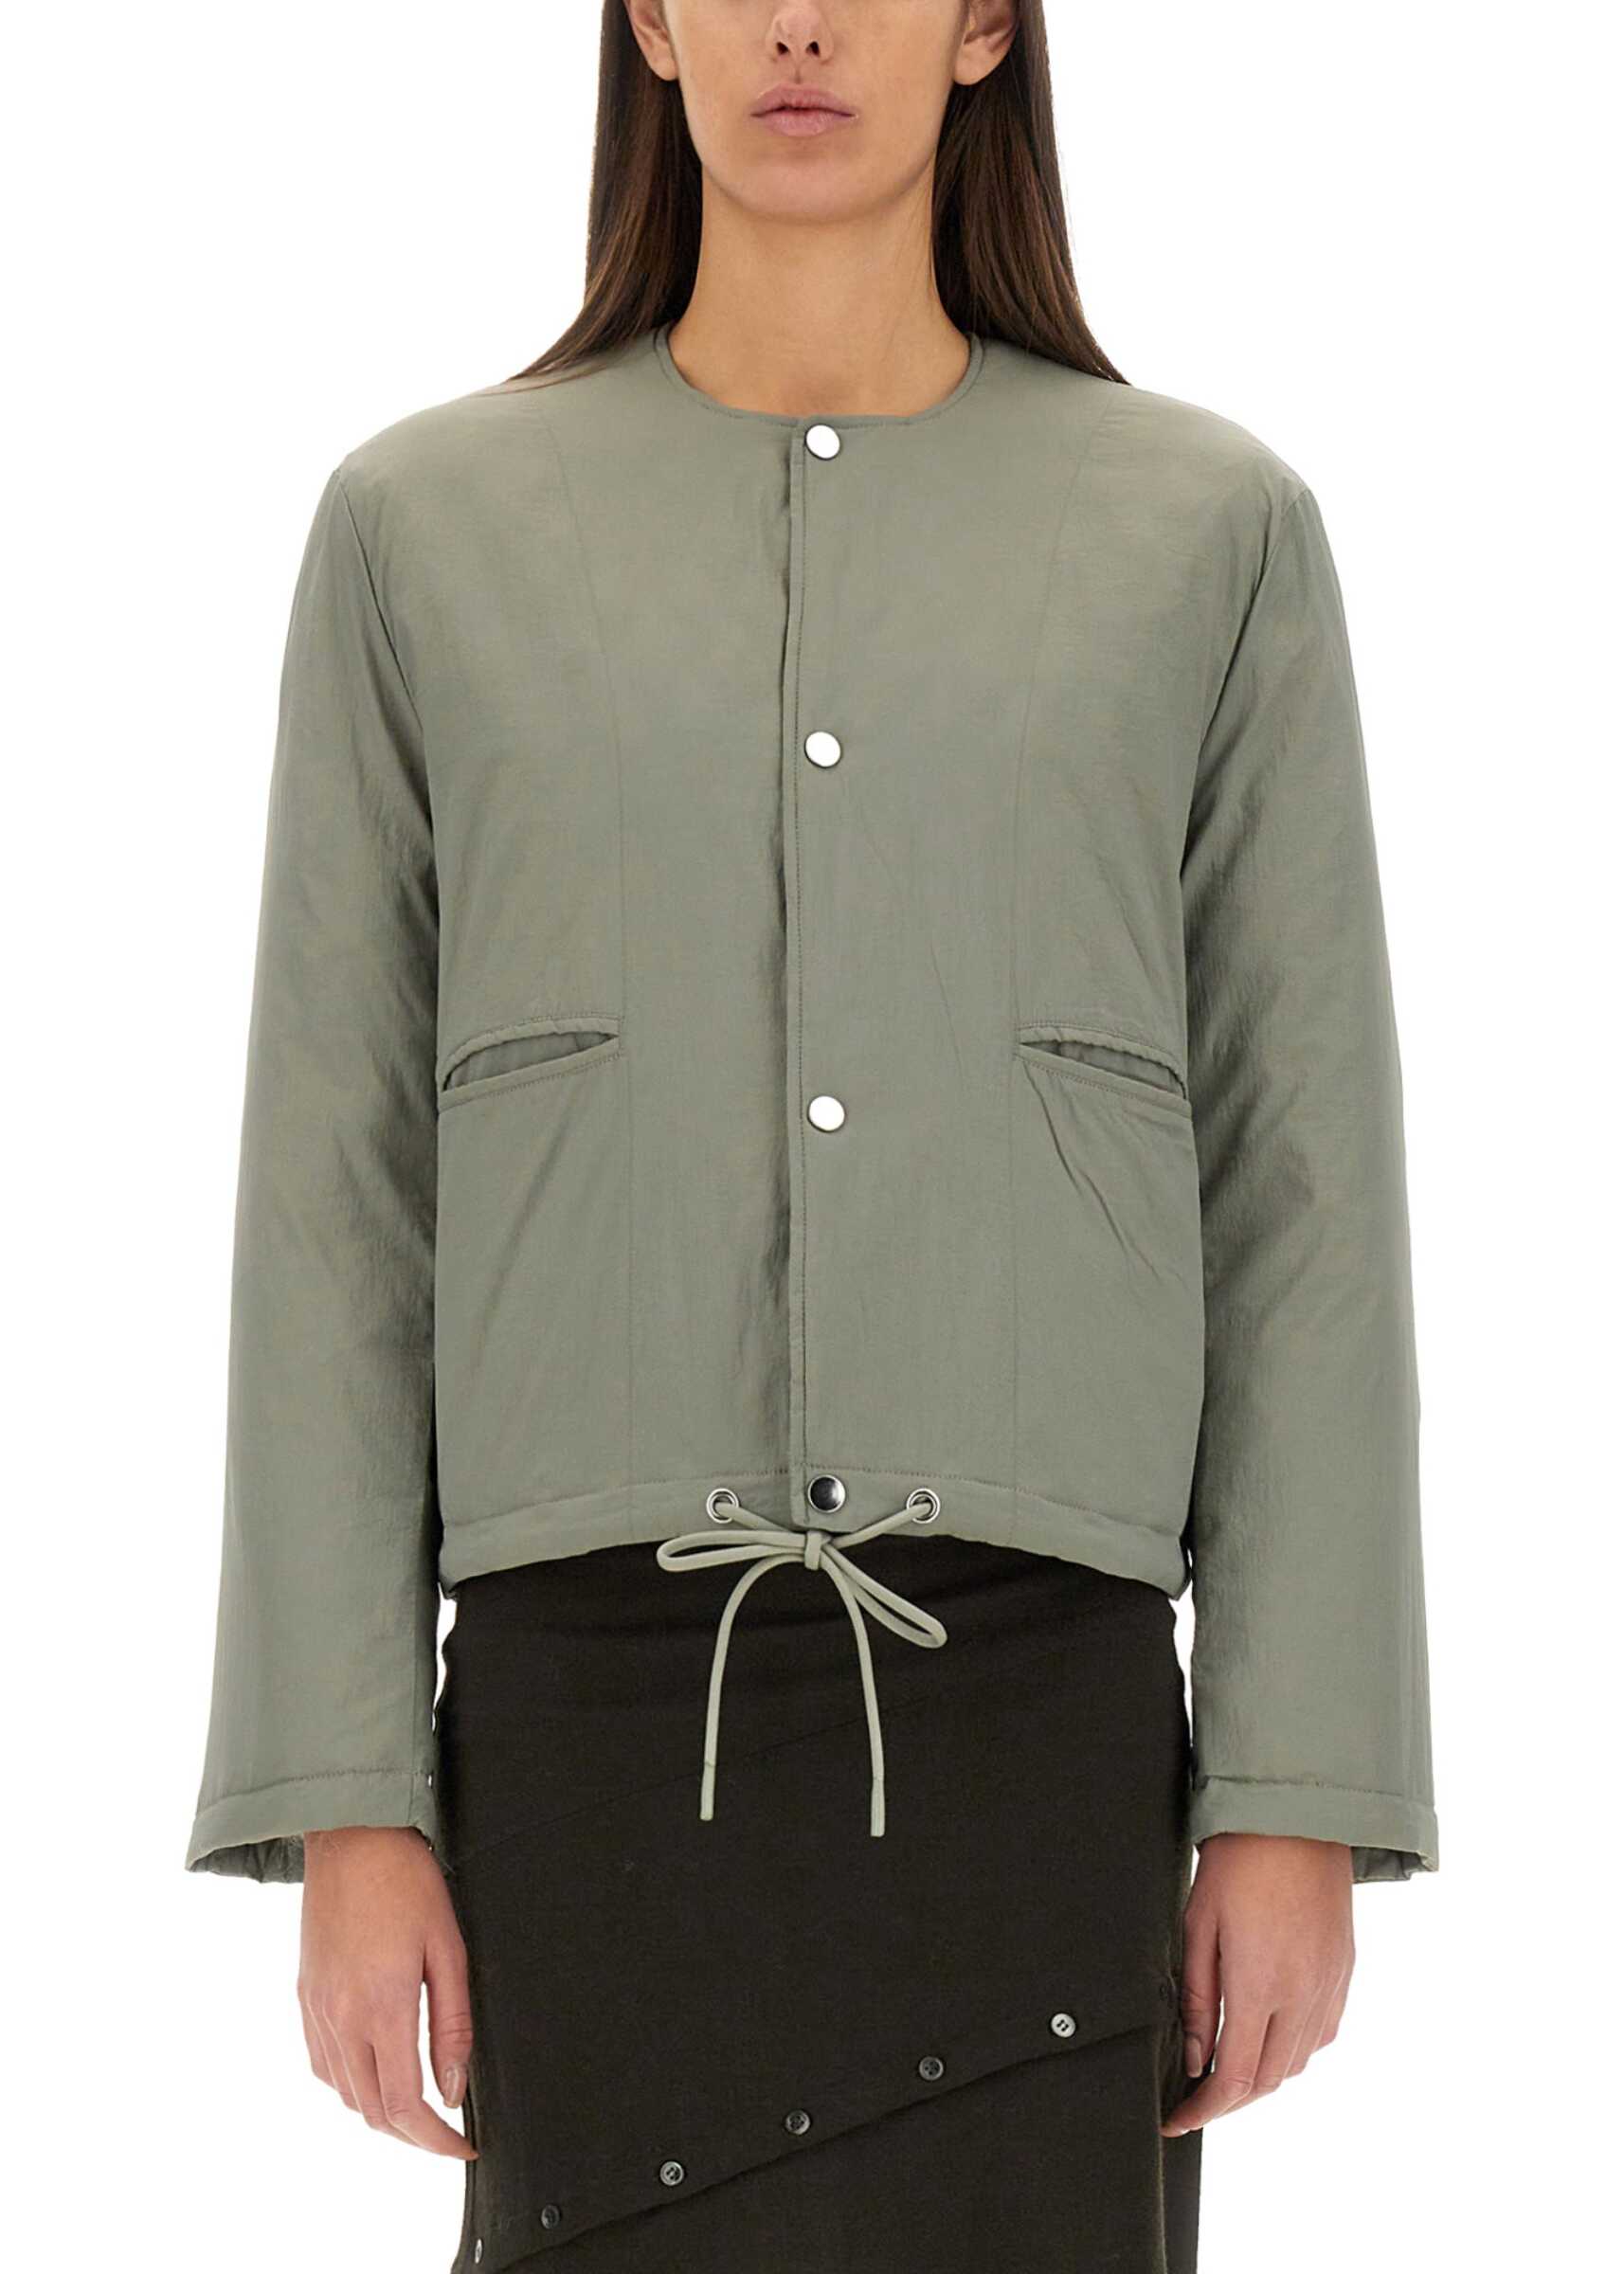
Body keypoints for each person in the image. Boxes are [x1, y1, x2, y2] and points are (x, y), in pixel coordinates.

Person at [186, 5, 1438, 2269]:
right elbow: (335, 1204)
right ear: (646, 19)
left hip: (1043, 1711)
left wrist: (1293, 1792)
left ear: (980, 24)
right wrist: (347, 1802)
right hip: (579, 1712)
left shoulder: (1209, 534)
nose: (794, 23)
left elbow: (1301, 1196)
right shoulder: (419, 532)